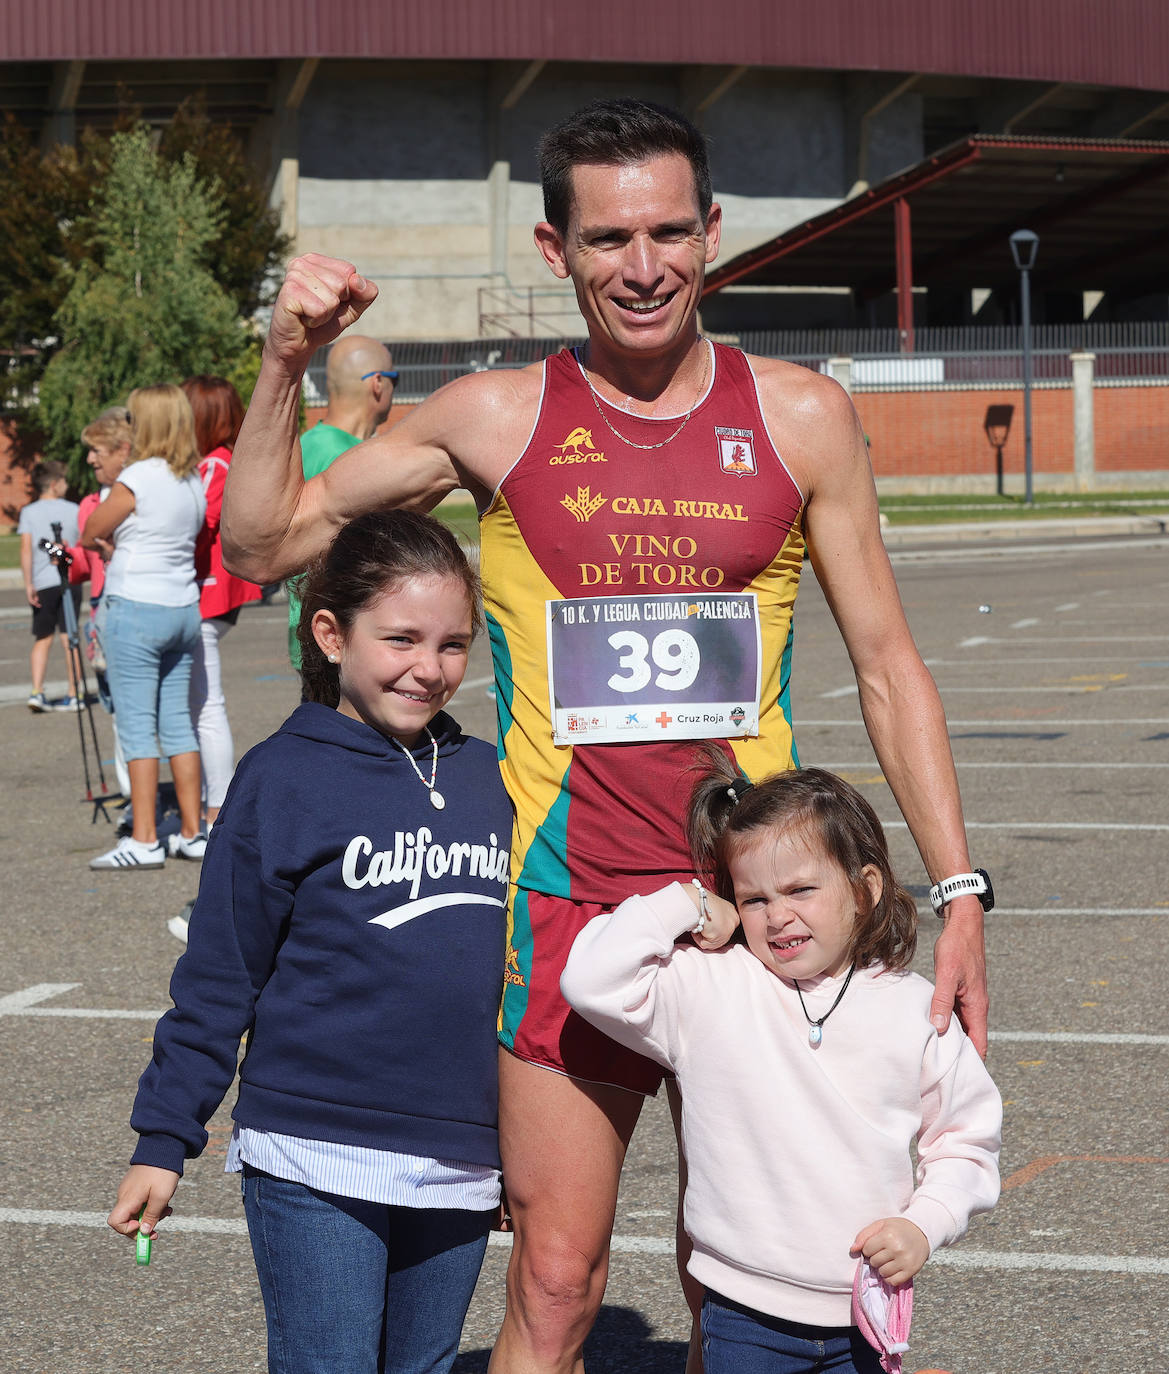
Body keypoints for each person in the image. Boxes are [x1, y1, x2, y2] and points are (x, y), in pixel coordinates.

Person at [221, 98, 991, 1372]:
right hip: (562, 902)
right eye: (607, 239)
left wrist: (957, 891)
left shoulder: (800, 415)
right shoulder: (491, 416)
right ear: (553, 248)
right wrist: (284, 360)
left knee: (747, 1285)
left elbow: (887, 664)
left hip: (755, 918)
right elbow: (259, 545)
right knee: (560, 1280)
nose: (642, 267)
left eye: (668, 232)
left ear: (711, 232)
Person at [107, 510, 512, 1374]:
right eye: (400, 638)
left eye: (451, 644)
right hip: (316, 1149)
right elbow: (221, 973)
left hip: (462, 1153)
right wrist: (163, 1137)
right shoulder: (281, 775)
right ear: (331, 632)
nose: (428, 668)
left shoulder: (489, 775)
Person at [561, 760, 1002, 1374]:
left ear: (865, 889)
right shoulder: (712, 988)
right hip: (743, 1315)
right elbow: (589, 979)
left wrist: (925, 1226)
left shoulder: (913, 1008)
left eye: (800, 890)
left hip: (865, 1310)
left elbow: (967, 1143)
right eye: (754, 898)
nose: (778, 915)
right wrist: (684, 904)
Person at [81, 384, 207, 870]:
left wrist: (108, 547)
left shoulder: (137, 476)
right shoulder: (191, 479)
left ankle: (145, 837)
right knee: (178, 724)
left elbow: (92, 528)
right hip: (183, 607)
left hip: (136, 605)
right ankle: (193, 831)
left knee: (136, 726)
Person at [181, 376, 263, 832]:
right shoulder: (223, 460)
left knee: (206, 704)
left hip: (206, 591)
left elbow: (200, 521)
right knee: (201, 704)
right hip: (212, 592)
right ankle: (212, 804)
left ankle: (217, 809)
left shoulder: (213, 465)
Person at [286, 334, 398, 666]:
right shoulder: (358, 458)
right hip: (355, 641)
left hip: (313, 633)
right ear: (378, 384)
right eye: (395, 380)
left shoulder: (304, 446)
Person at [69, 407, 134, 798]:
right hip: (101, 613)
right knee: (118, 710)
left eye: (96, 450)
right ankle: (131, 800)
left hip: (136, 607)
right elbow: (84, 562)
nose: (90, 459)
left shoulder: (142, 493)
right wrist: (65, 557)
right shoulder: (89, 504)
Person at [18, 460, 83, 712]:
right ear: (55, 484)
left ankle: (37, 691)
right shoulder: (74, 509)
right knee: (70, 639)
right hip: (69, 580)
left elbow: (26, 549)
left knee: (42, 638)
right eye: (65, 481)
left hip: (43, 583)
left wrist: (29, 583)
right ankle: (74, 692)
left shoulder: (29, 512)